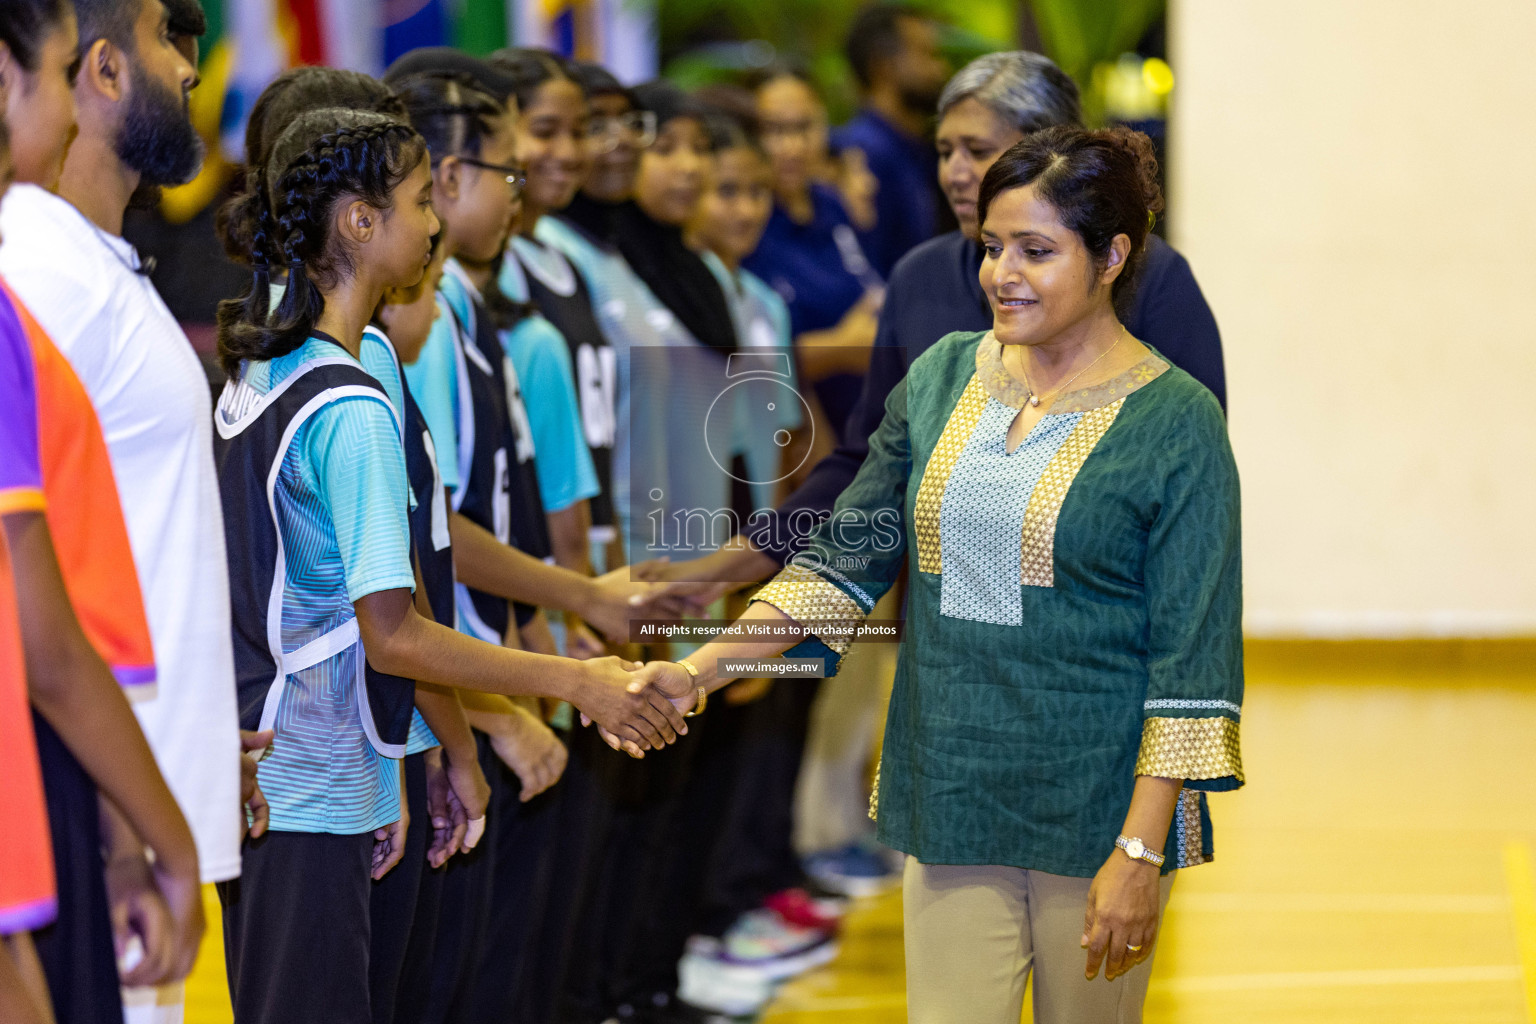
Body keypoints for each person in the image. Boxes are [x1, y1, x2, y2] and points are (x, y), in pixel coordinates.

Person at [634, 125, 1244, 1024]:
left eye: (1038, 251)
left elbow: (1193, 663)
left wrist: (1140, 855)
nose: (1004, 273)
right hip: (951, 790)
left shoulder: (1177, 423)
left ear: (1113, 255)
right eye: (993, 247)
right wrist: (696, 671)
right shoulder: (940, 378)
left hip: (1096, 812)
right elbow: (843, 559)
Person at [211, 105, 685, 1024]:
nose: (435, 223)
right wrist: (576, 683)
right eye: (422, 200)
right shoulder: (344, 405)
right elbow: (394, 634)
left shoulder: (279, 367)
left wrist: (412, 756)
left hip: (326, 776)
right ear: (359, 221)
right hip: (306, 785)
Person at [0, 3, 224, 1023]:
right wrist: (131, 836)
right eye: (168, 41)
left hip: (124, 792)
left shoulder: (93, 265)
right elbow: (39, 610)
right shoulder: (39, 268)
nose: (189, 70)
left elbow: (126, 538)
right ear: (95, 69)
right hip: (86, 813)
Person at [745, 68, 881, 446]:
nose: (792, 147)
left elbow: (870, 288)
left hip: (866, 424)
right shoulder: (746, 223)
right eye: (774, 131)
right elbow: (738, 361)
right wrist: (839, 348)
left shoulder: (831, 204)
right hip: (796, 441)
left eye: (803, 127)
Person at [833, 3, 952, 276]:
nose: (940, 69)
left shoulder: (919, 147)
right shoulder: (864, 155)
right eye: (927, 54)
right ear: (882, 66)